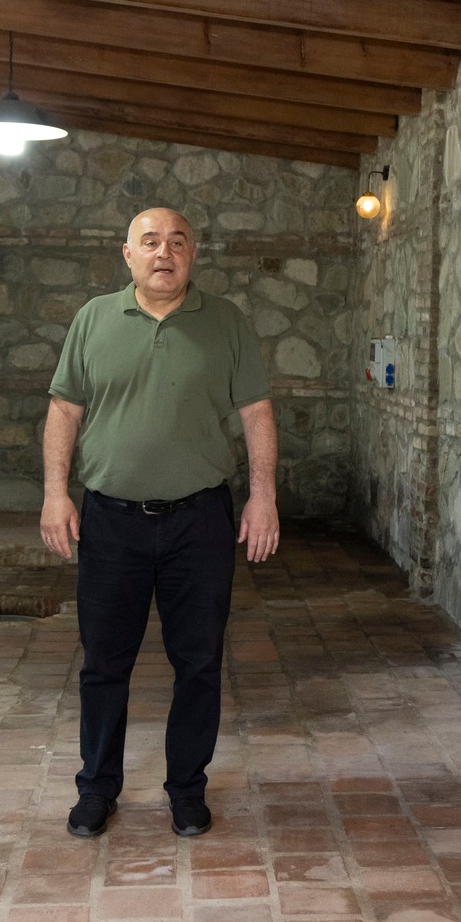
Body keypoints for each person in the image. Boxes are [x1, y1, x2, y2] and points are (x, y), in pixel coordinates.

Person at [40, 207, 280, 841]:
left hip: (199, 521)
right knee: (103, 663)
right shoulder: (93, 319)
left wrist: (263, 497)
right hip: (110, 521)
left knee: (198, 661)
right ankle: (96, 788)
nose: (163, 253)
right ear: (128, 254)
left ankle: (187, 790)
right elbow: (65, 410)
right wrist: (55, 494)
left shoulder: (225, 322)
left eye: (177, 242)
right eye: (150, 242)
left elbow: (256, 412)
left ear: (193, 253)